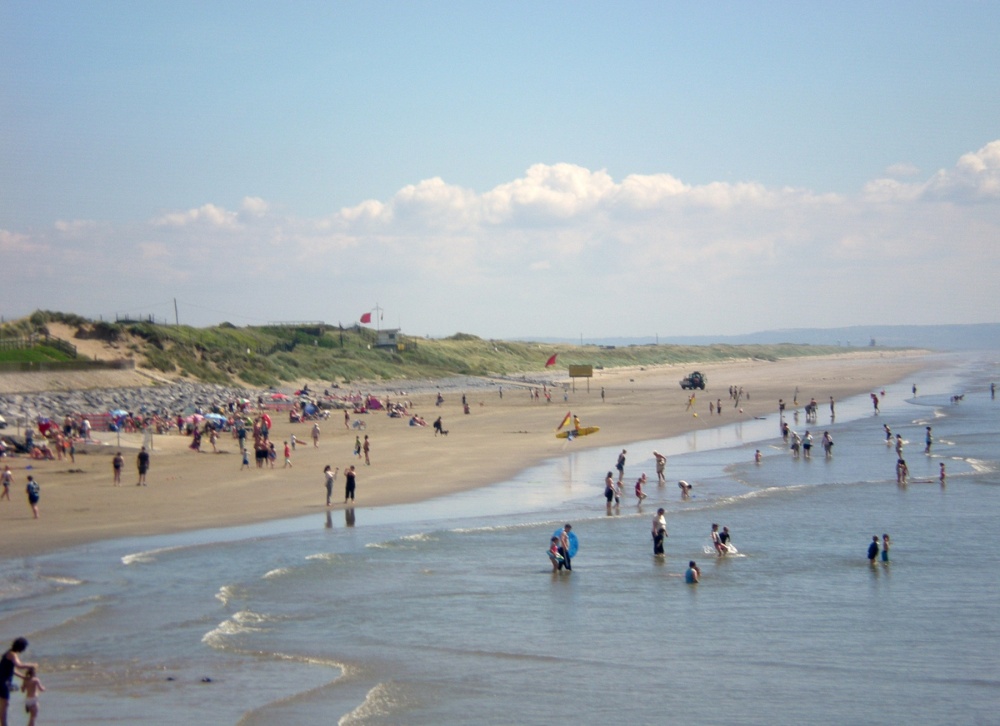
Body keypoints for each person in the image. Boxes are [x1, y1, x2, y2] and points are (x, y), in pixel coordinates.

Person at [1, 637, 34, 726]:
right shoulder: (12, 654)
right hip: (3, 682)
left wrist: (23, 677)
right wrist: (31, 665)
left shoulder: (8, 653)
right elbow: (19, 665)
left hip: (3, 681)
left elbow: (13, 670)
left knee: (4, 704)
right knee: (4, 705)